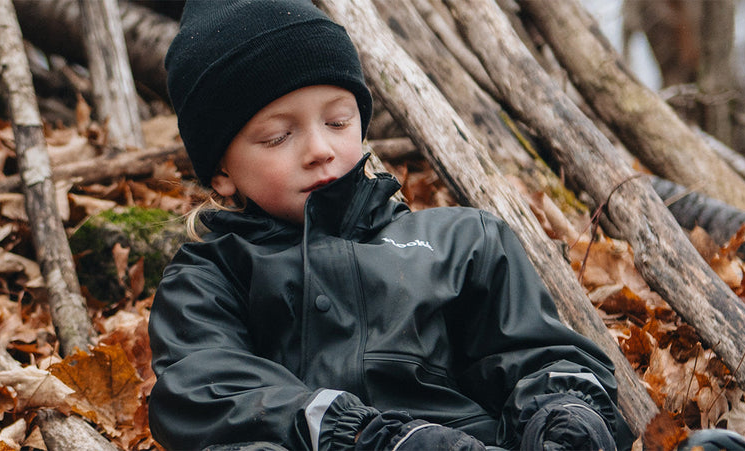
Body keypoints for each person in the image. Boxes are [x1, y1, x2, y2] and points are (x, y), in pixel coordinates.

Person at [149, 1, 650, 449]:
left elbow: (532, 352)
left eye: (339, 122)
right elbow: (202, 388)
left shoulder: (462, 242)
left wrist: (564, 414)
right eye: (279, 136)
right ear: (221, 170)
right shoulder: (209, 277)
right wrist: (362, 434)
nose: (320, 149)